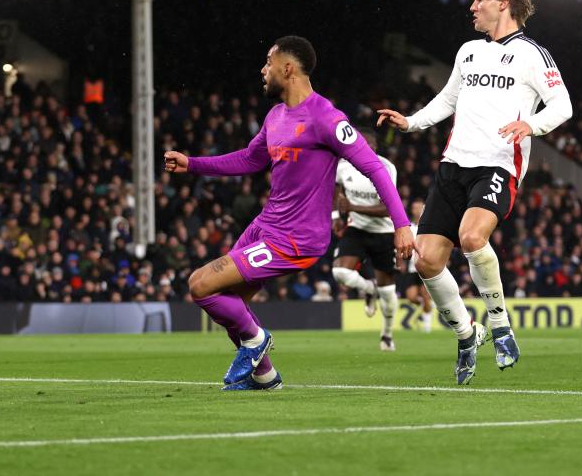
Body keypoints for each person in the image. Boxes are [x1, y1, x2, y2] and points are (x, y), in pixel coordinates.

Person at [164, 36, 413, 391]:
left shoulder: (326, 117)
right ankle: (266, 377)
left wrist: (401, 224)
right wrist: (193, 164)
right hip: (266, 225)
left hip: (297, 238)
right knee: (232, 305)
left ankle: (257, 340)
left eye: (268, 62)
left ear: (288, 68)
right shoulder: (276, 116)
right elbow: (249, 160)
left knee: (201, 284)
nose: (263, 70)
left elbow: (373, 167)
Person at [377, 0, 572, 384]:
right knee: (425, 259)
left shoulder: (532, 55)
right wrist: (409, 123)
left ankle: (500, 324)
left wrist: (531, 126)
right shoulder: (468, 51)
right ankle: (468, 334)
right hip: (454, 166)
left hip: (497, 163)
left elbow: (562, 105)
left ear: (504, 3)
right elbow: (448, 99)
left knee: (471, 238)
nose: (472, 6)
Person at [331, 128, 400, 351]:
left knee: (388, 293)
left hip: (384, 233)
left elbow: (389, 208)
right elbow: (335, 187)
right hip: (357, 229)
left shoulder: (386, 168)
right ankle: (369, 289)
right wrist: (335, 216)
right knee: (339, 272)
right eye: (360, 146)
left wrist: (352, 206)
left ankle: (387, 334)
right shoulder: (344, 167)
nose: (363, 151)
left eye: (369, 147)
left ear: (376, 149)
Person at [400, 199, 434, 333]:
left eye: (419, 208)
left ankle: (427, 325)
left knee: (425, 295)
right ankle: (426, 306)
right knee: (411, 297)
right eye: (414, 208)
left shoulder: (430, 227)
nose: (417, 210)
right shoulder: (408, 228)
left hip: (426, 266)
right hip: (412, 268)